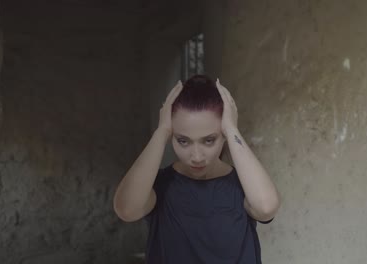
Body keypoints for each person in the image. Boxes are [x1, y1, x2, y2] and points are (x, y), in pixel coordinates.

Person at [113, 75, 280, 263]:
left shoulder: (243, 186)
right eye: (183, 141)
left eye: (209, 140)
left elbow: (266, 208)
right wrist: (162, 131)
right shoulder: (160, 186)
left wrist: (232, 129)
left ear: (223, 135)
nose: (197, 156)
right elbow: (126, 209)